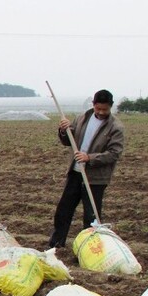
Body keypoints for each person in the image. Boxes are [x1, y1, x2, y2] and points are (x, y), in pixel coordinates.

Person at [47, 89, 124, 249]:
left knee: (91, 217)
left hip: (96, 178)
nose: (101, 112)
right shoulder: (82, 118)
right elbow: (68, 141)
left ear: (111, 106)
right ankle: (56, 245)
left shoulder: (115, 127)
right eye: (98, 108)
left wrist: (89, 158)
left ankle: (89, 249)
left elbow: (114, 154)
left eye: (105, 109)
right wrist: (64, 130)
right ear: (93, 104)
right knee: (63, 211)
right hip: (75, 173)